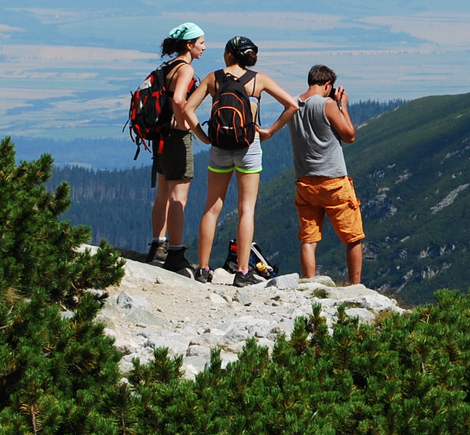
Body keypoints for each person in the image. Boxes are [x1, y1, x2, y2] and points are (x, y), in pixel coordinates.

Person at [184, 35, 299, 287]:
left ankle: (203, 269)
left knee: (212, 207)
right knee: (246, 208)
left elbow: (186, 108)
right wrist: (270, 130)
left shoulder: (214, 78)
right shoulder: (259, 79)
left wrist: (203, 137)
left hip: (219, 147)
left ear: (228, 54)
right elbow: (292, 105)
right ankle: (243, 271)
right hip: (249, 146)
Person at [285, 64, 364, 285]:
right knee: (353, 236)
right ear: (327, 85)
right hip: (333, 181)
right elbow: (349, 135)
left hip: (305, 181)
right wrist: (343, 106)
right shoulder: (327, 104)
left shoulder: (293, 103)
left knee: (309, 239)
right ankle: (355, 285)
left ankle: (309, 284)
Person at [147, 22, 209, 273]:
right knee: (178, 197)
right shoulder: (184, 70)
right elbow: (179, 99)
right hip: (176, 137)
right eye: (201, 42)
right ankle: (175, 252)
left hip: (160, 137)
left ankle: (157, 245)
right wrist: (197, 130)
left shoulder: (167, 67)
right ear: (189, 44)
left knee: (163, 192)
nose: (204, 47)